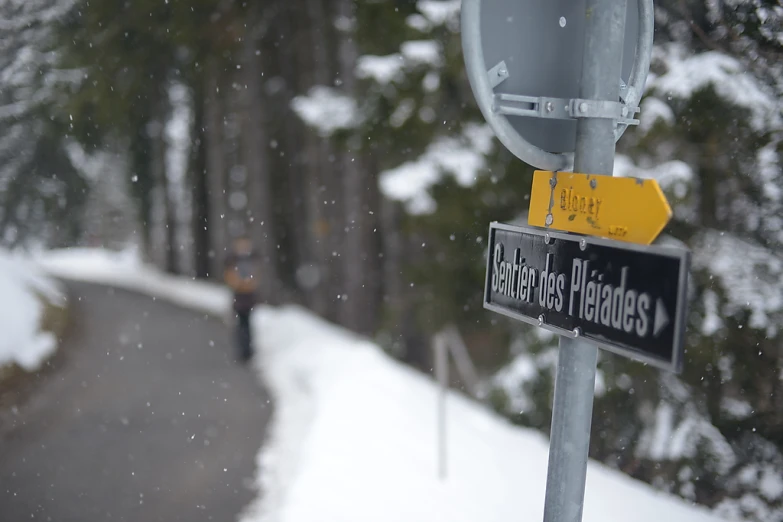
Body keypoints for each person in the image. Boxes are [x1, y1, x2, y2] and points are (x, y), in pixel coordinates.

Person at [223, 237, 260, 363]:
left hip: (244, 298)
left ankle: (246, 350)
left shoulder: (241, 261)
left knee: (244, 324)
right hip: (242, 298)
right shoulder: (237, 261)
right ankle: (245, 350)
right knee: (243, 324)